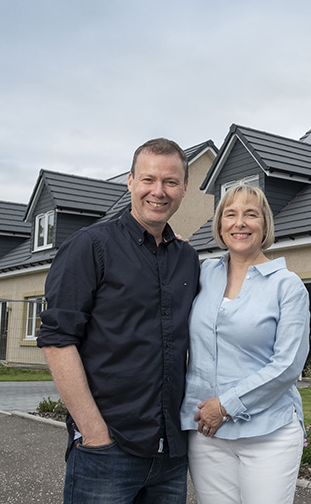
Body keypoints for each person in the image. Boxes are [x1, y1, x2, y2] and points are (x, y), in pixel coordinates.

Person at [38, 138, 200, 503]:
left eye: (170, 182)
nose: (158, 191)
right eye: (148, 179)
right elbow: (57, 340)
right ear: (130, 181)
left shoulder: (187, 258)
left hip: (171, 455)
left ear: (184, 188)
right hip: (108, 450)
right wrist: (93, 432)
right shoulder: (89, 246)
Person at [180, 185, 310, 504]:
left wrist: (225, 405)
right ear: (220, 224)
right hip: (206, 431)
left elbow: (288, 366)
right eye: (231, 214)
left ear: (264, 224)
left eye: (250, 214)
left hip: (269, 431)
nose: (240, 223)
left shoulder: (287, 286)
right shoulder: (203, 272)